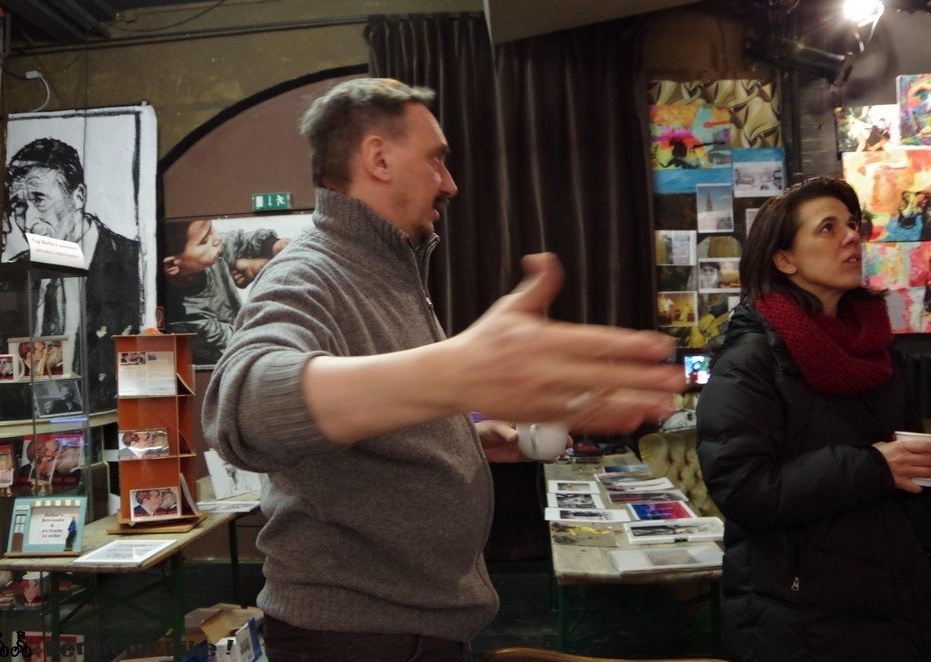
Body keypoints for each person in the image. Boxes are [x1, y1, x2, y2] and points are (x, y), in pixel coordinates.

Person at [202, 78, 683, 660]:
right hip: (352, 638)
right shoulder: (308, 273)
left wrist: (461, 436)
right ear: (378, 158)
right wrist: (456, 372)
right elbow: (243, 407)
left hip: (407, 630)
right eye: (436, 160)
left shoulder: (387, 267)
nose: (450, 183)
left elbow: (372, 418)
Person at [695, 176, 931, 661]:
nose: (850, 236)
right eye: (827, 228)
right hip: (797, 615)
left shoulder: (878, 350)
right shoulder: (751, 359)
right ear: (785, 260)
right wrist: (872, 467)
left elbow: (901, 468)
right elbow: (742, 489)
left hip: (894, 603)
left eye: (851, 225)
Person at [4, 137, 142, 410]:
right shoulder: (14, 274)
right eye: (18, 205)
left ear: (78, 196)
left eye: (39, 199)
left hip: (112, 416)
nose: (28, 221)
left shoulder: (133, 261)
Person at [164, 218, 290, 364]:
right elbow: (238, 341)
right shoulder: (186, 320)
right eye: (205, 239)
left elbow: (236, 241)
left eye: (212, 228)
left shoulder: (211, 253)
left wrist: (272, 245)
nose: (217, 238)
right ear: (171, 265)